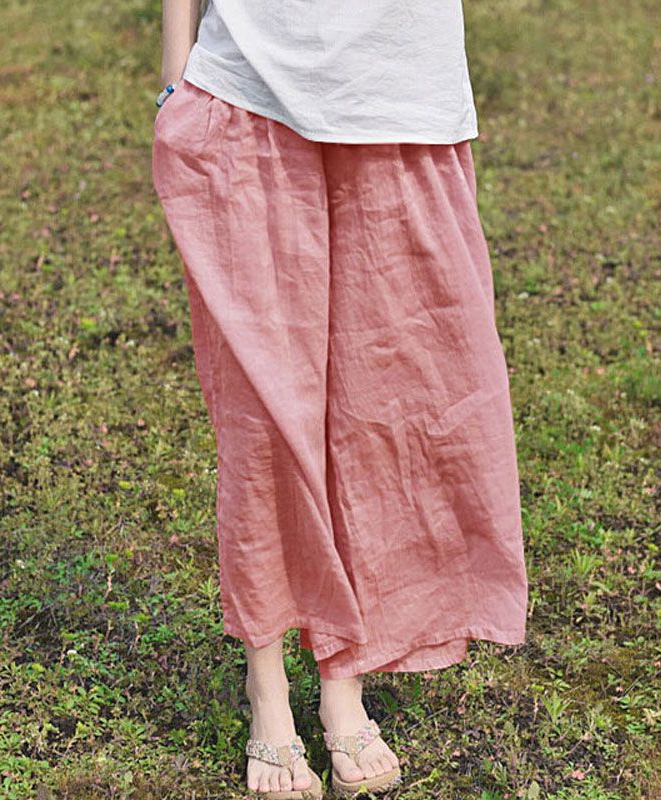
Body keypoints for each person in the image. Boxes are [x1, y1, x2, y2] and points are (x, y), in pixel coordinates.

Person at [152, 1, 529, 797]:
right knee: (262, 416)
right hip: (246, 90)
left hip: (403, 98)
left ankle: (344, 677)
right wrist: (174, 75)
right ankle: (267, 689)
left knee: (390, 409)